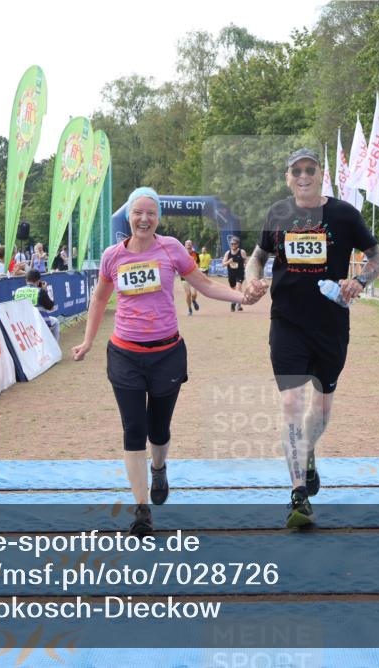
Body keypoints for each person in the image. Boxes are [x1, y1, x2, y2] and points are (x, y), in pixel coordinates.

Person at [72, 187, 252, 536]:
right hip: (125, 354)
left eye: (150, 213)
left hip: (167, 354)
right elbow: (99, 300)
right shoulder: (113, 256)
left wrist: (240, 295)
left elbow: (203, 283)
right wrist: (88, 341)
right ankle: (141, 512)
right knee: (133, 430)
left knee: (159, 430)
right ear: (128, 215)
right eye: (138, 212)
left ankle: (159, 467)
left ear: (158, 218)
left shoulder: (170, 249)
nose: (143, 219)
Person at [243, 148, 379, 528]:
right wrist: (251, 278)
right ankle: (297, 493)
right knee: (292, 403)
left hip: (331, 326)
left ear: (321, 174)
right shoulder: (277, 214)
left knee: (320, 410)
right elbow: (257, 256)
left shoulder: (343, 214)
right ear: (287, 178)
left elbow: (378, 258)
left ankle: (307, 455)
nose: (303, 176)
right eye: (296, 171)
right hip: (287, 322)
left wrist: (358, 282)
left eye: (310, 169)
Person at [15, 269, 59, 339]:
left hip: (21, 323)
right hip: (38, 322)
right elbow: (51, 307)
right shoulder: (40, 291)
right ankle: (55, 348)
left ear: (26, 280)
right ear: (38, 281)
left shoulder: (17, 291)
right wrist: (45, 290)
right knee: (55, 322)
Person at [222, 236, 248, 312]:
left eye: (234, 244)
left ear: (238, 244)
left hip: (239, 273)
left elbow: (246, 261)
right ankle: (233, 302)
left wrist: (247, 266)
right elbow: (223, 264)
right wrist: (229, 262)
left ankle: (238, 303)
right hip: (231, 274)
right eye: (231, 244)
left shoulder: (242, 252)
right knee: (233, 290)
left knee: (239, 287)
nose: (233, 245)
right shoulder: (228, 253)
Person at [182, 240, 201, 315]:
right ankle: (189, 309)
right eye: (187, 244)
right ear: (185, 246)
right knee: (188, 294)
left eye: (190, 244)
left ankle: (193, 300)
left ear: (192, 245)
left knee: (194, 294)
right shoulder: (181, 254)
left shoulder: (196, 254)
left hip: (194, 276)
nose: (189, 245)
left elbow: (198, 264)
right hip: (184, 276)